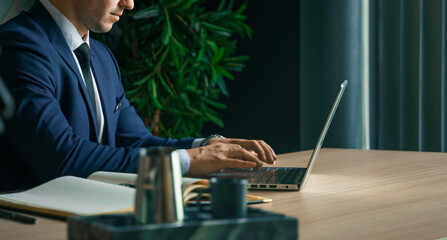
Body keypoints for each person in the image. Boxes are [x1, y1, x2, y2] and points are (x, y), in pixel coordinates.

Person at [0, 0, 277, 191]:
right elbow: (62, 157)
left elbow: (138, 141)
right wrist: (191, 160)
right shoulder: (19, 45)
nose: (130, 3)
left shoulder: (102, 58)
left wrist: (210, 147)